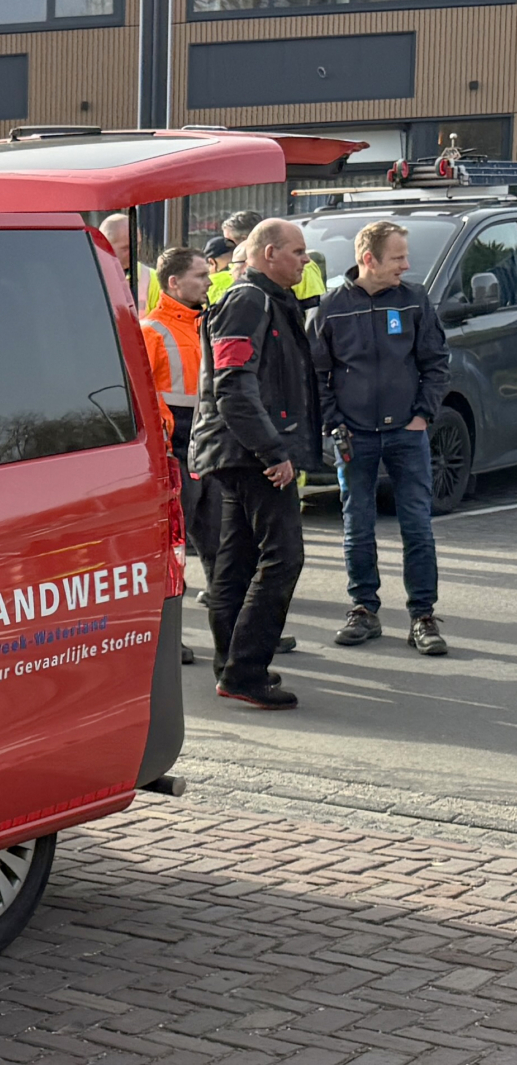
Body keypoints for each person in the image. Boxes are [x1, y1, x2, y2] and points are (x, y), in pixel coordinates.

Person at [191, 218, 318, 710]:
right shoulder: (249, 300)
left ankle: (234, 667)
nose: (306, 261)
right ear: (268, 254)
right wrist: (274, 452)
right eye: (298, 251)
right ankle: (244, 669)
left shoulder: (264, 299)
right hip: (248, 452)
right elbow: (233, 386)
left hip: (239, 450)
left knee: (239, 558)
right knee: (283, 556)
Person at [316, 219, 452, 657]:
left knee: (417, 527)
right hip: (354, 435)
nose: (406, 266)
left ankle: (423, 617)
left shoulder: (414, 300)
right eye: (397, 258)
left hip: (406, 434)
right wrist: (335, 423)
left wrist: (422, 415)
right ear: (368, 259)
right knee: (357, 526)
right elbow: (317, 375)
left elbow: (435, 362)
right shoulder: (331, 307)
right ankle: (363, 609)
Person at [142, 247, 210, 665]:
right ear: (174, 283)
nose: (208, 281)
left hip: (207, 444)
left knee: (223, 545)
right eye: (200, 275)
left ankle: (238, 631)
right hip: (179, 448)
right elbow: (145, 395)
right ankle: (171, 640)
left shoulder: (206, 324)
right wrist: (169, 435)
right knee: (176, 553)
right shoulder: (152, 330)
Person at [211, 211, 324, 306]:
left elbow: (311, 313)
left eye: (229, 242)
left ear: (247, 239)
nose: (227, 247)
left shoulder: (303, 267)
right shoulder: (221, 277)